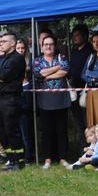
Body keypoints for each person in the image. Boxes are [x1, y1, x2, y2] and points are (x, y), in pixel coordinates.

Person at [0, 32, 27, 171]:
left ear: (13, 43)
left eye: (4, 41)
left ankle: (19, 161)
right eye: (0, 41)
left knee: (11, 130)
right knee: (0, 131)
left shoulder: (17, 59)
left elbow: (4, 75)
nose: (0, 44)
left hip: (10, 99)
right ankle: (10, 158)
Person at [32, 34, 71, 169]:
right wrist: (56, 68)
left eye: (51, 44)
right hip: (44, 100)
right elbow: (38, 74)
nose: (48, 46)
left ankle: (63, 158)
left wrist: (47, 76)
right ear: (42, 48)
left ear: (55, 46)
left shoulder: (62, 57)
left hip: (61, 99)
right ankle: (47, 159)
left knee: (61, 130)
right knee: (46, 131)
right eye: (46, 44)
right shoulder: (36, 61)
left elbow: (65, 71)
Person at [69, 24, 93, 131]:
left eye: (77, 35)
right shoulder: (74, 51)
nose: (74, 38)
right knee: (78, 121)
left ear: (84, 36)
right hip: (74, 90)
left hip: (87, 89)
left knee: (89, 120)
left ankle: (92, 145)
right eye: (73, 35)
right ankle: (83, 145)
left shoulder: (91, 51)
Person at [16, 38, 35, 163]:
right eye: (18, 48)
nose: (20, 50)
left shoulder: (30, 63)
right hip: (14, 103)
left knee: (26, 133)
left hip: (27, 104)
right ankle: (18, 156)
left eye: (23, 48)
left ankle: (28, 157)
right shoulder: (11, 62)